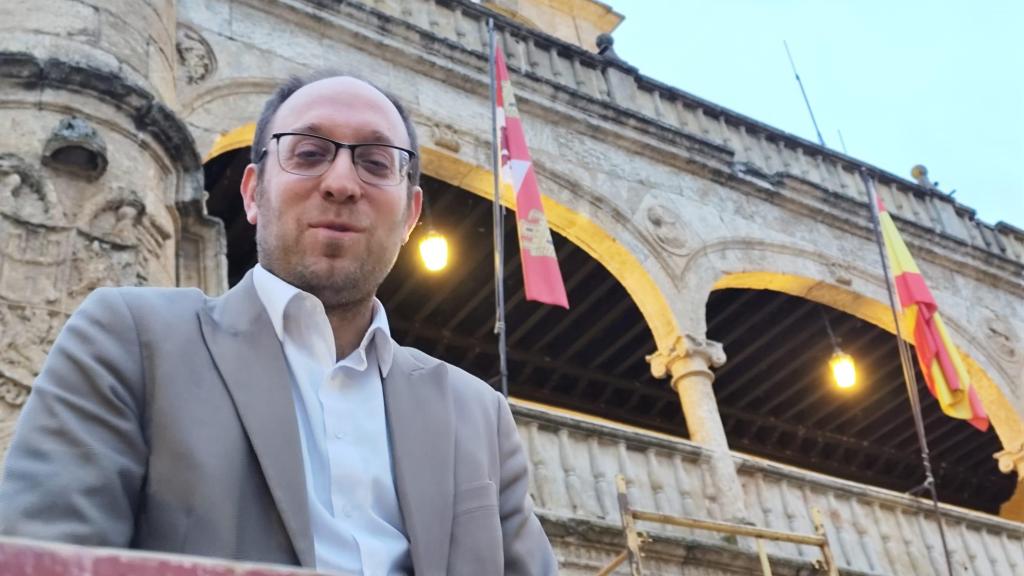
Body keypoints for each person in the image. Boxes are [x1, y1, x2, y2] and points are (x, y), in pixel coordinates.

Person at [0, 73, 558, 576]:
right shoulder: (132, 339)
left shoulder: (479, 413)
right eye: (309, 153)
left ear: (411, 215)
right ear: (251, 193)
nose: (342, 182)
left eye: (375, 161)